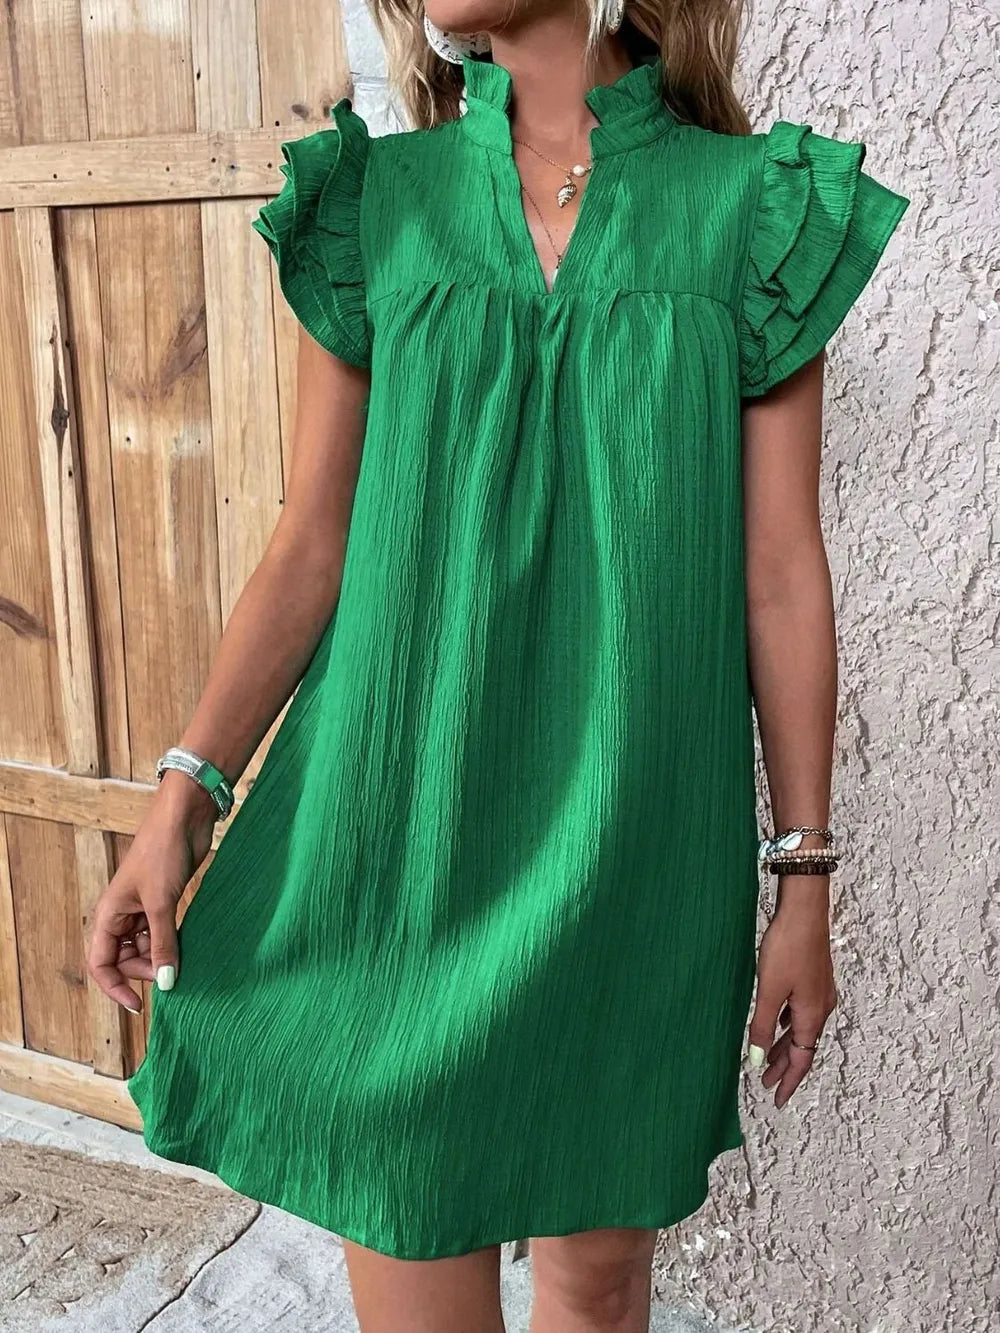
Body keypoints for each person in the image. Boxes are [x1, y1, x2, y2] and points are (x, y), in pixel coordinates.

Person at [87, 2, 909, 1329]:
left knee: (600, 1285)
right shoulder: (381, 203)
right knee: (408, 1217)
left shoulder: (751, 213)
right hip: (396, 844)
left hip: (634, 851)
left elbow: (778, 573)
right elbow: (312, 544)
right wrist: (183, 796)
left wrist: (804, 880)